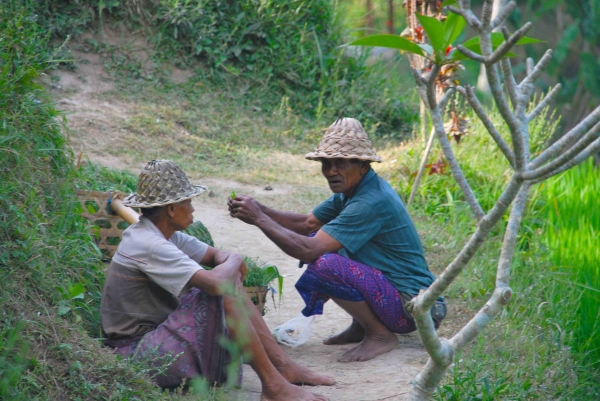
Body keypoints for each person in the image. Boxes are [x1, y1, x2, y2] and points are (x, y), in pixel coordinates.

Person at [100, 159, 333, 401]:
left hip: (153, 341)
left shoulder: (164, 234)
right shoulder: (148, 243)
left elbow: (213, 255)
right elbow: (216, 283)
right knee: (224, 289)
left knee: (227, 281)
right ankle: (274, 386)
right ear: (171, 209)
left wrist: (229, 261)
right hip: (135, 356)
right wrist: (235, 260)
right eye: (187, 202)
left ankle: (282, 367)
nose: (192, 209)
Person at [228, 118, 445, 363]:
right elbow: (307, 224)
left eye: (339, 163)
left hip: (413, 308)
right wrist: (260, 209)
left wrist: (258, 218)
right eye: (326, 163)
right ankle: (362, 326)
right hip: (401, 297)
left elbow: (308, 251)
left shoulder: (369, 202)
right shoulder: (354, 190)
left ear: (362, 165)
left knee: (325, 263)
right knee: (324, 244)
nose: (331, 171)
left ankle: (380, 335)